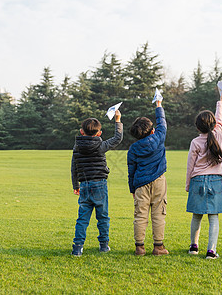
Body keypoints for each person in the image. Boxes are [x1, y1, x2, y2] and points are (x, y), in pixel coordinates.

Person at [185, 90, 222, 259]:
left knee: (196, 215)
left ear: (198, 127)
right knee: (213, 217)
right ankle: (211, 251)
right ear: (213, 125)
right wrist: (221, 100)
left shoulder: (195, 142)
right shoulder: (218, 135)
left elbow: (190, 165)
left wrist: (187, 185)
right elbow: (220, 117)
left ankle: (193, 247)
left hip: (197, 180)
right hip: (216, 181)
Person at [71, 110, 123, 257]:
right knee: (103, 217)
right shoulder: (101, 146)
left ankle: (78, 248)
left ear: (81, 132)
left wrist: (76, 185)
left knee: (82, 218)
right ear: (99, 133)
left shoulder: (76, 147)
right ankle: (104, 245)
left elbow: (74, 167)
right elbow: (117, 138)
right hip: (99, 184)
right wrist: (117, 120)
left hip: (84, 185)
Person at [127, 99, 168, 256]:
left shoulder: (133, 149)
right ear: (152, 131)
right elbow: (162, 123)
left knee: (140, 215)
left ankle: (140, 248)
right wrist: (158, 106)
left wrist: (132, 188)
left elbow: (131, 170)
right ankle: (158, 247)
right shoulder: (158, 137)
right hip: (159, 181)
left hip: (140, 184)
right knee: (159, 214)